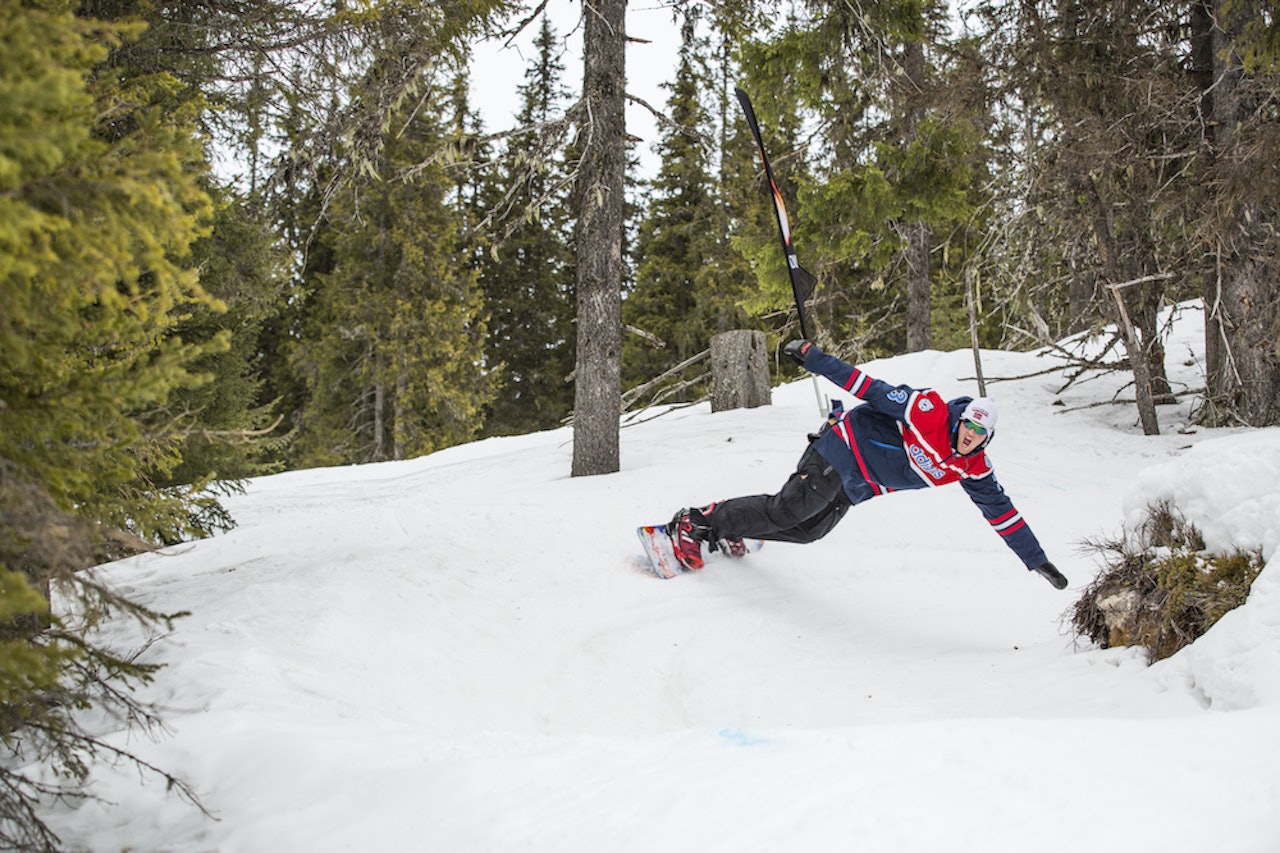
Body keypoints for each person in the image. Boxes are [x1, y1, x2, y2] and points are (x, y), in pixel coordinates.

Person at [665, 339, 1069, 589]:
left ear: (987, 438)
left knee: (809, 530)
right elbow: (867, 387)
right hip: (841, 450)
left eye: (979, 434)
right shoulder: (928, 411)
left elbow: (1003, 515)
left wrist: (1037, 561)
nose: (969, 436)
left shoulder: (974, 468)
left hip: (858, 486)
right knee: (789, 508)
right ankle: (698, 521)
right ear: (961, 420)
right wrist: (814, 358)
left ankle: (734, 524)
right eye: (968, 427)